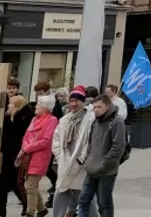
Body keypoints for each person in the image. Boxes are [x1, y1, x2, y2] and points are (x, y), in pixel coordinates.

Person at [78, 94, 126, 217]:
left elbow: (118, 147)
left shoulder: (117, 121)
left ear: (107, 106)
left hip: (106, 170)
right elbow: (90, 143)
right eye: (94, 107)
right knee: (83, 199)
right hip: (92, 167)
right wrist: (88, 161)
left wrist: (104, 164)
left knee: (104, 202)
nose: (96, 110)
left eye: (99, 107)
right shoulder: (95, 120)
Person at [51, 86, 95, 217]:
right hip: (66, 162)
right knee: (61, 192)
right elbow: (57, 140)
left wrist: (82, 158)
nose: (73, 104)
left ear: (83, 101)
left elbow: (90, 141)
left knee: (84, 195)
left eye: (77, 101)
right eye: (71, 101)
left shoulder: (90, 118)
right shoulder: (65, 119)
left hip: (81, 163)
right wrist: (60, 157)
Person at [20, 95, 59, 217]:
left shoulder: (52, 120)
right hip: (28, 156)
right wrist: (25, 146)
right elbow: (26, 135)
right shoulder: (34, 119)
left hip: (40, 156)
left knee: (30, 187)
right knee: (31, 185)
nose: (36, 106)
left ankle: (30, 213)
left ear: (46, 107)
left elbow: (46, 140)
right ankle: (41, 209)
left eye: (39, 104)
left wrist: (28, 147)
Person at [0, 94, 33, 217]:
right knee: (1, 183)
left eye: (11, 104)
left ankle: (26, 204)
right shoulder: (7, 118)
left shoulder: (21, 119)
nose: (9, 105)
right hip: (4, 154)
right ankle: (1, 211)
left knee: (15, 182)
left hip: (15, 155)